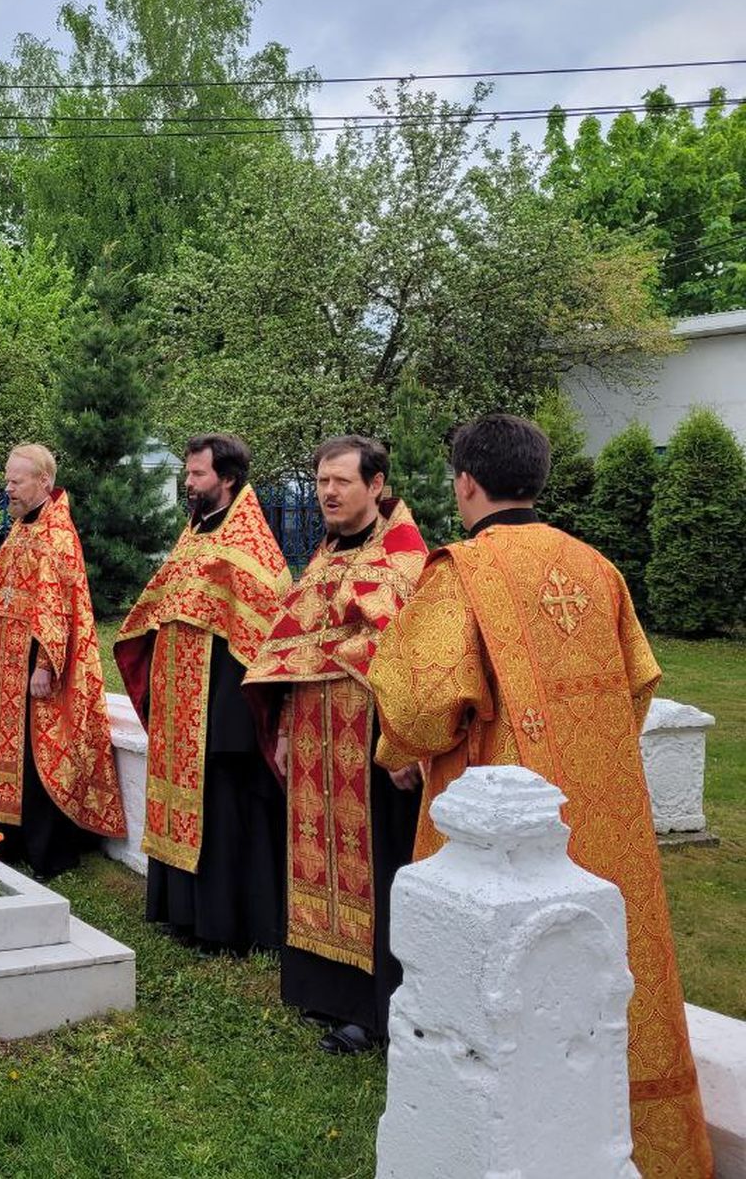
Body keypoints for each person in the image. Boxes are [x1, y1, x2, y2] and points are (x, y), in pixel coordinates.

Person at [368, 413, 712, 1178]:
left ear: (465, 482)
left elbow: (421, 703)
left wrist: (398, 751)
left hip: (503, 816)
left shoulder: (461, 572)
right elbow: (639, 681)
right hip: (601, 803)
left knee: (497, 970)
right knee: (604, 957)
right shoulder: (597, 566)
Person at [241, 436, 427, 1054]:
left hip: (370, 741)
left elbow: (411, 658)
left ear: (376, 485)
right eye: (322, 481)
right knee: (316, 855)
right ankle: (324, 990)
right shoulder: (326, 555)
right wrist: (285, 730)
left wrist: (402, 740)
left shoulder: (404, 556)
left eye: (341, 481)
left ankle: (375, 1011)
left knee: (375, 868)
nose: (328, 492)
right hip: (314, 737)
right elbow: (293, 648)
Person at [116, 433, 290, 953]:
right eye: (188, 473)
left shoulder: (249, 542)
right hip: (180, 701)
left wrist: (233, 713)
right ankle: (181, 912)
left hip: (222, 704)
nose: (188, 483)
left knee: (223, 808)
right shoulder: (196, 533)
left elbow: (263, 625)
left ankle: (223, 925)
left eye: (197, 474)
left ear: (227, 478)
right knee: (181, 800)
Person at [0, 444, 126, 878]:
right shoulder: (22, 528)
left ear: (44, 482)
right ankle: (3, 836)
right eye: (7, 480)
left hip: (37, 664)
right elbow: (1, 594)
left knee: (36, 754)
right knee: (4, 749)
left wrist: (43, 666)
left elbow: (59, 609)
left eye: (16, 481)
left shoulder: (57, 535)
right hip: (9, 658)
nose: (8, 488)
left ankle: (43, 845)